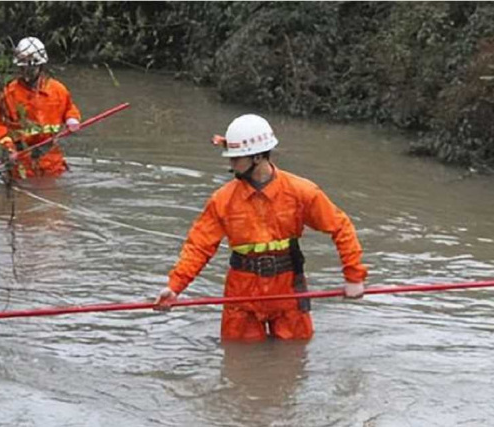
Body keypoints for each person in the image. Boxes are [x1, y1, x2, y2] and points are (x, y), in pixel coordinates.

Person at [154, 114, 367, 341]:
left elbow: (341, 227)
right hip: (241, 292)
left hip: (288, 288)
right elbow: (198, 247)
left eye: (236, 158)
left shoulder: (301, 192)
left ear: (257, 157)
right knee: (240, 360)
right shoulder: (222, 200)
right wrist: (175, 288)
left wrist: (353, 278)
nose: (231, 164)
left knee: (293, 356)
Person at [0, 36, 81, 179]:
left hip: (52, 161)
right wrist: (7, 148)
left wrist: (72, 119)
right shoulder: (8, 95)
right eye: (23, 67)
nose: (27, 71)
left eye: (32, 67)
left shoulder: (57, 90)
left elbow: (69, 107)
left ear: (41, 66)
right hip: (21, 163)